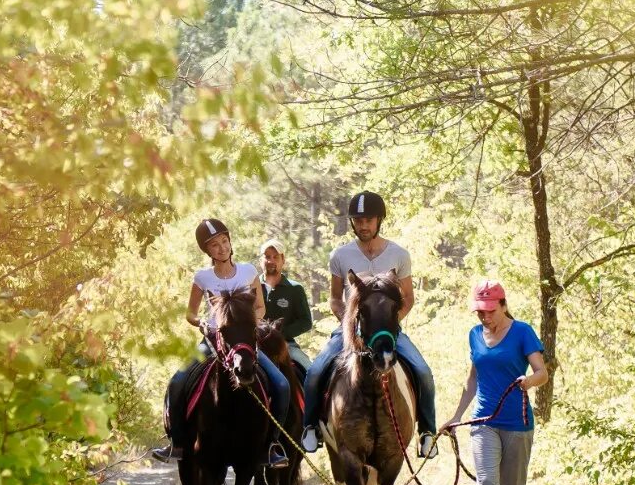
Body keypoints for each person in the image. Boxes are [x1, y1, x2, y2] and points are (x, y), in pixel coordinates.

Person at [300, 192, 438, 457]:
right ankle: (310, 427)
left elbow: (408, 298)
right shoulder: (340, 255)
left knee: (422, 371)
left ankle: (427, 433)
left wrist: (388, 325)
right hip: (351, 329)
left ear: (379, 220)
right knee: (316, 371)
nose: (363, 225)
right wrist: (350, 325)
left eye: (368, 220)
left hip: (388, 330)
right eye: (358, 220)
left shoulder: (399, 255)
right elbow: (334, 298)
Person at [152, 218, 292, 467]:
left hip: (246, 343)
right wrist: (203, 324)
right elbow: (191, 313)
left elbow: (260, 307)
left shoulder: (249, 272)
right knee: (177, 382)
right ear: (208, 251)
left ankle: (271, 445)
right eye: (215, 245)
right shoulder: (203, 278)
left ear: (230, 242)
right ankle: (178, 442)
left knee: (281, 384)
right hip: (214, 342)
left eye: (224, 241)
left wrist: (249, 322)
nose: (222, 248)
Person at [441, 279, 549, 485]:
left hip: (517, 423)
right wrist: (455, 416)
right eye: (480, 312)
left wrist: (527, 381)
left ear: (503, 305)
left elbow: (542, 372)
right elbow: (472, 380)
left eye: (490, 311)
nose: (485, 317)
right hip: (483, 423)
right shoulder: (474, 335)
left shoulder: (522, 332)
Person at [259, 238, 313, 381]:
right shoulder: (252, 287)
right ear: (260, 261)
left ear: (283, 260)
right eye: (267, 257)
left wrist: (281, 333)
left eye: (276, 257)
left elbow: (306, 321)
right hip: (255, 345)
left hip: (287, 345)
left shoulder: (295, 289)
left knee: (312, 373)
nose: (271, 260)